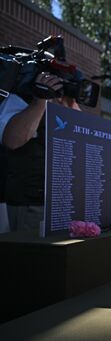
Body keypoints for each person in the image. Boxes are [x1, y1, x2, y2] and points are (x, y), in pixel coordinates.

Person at [1, 72, 80, 232]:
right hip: (29, 203)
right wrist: (41, 99)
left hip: (62, 203)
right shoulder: (22, 96)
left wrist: (70, 103)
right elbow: (12, 140)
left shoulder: (66, 103)